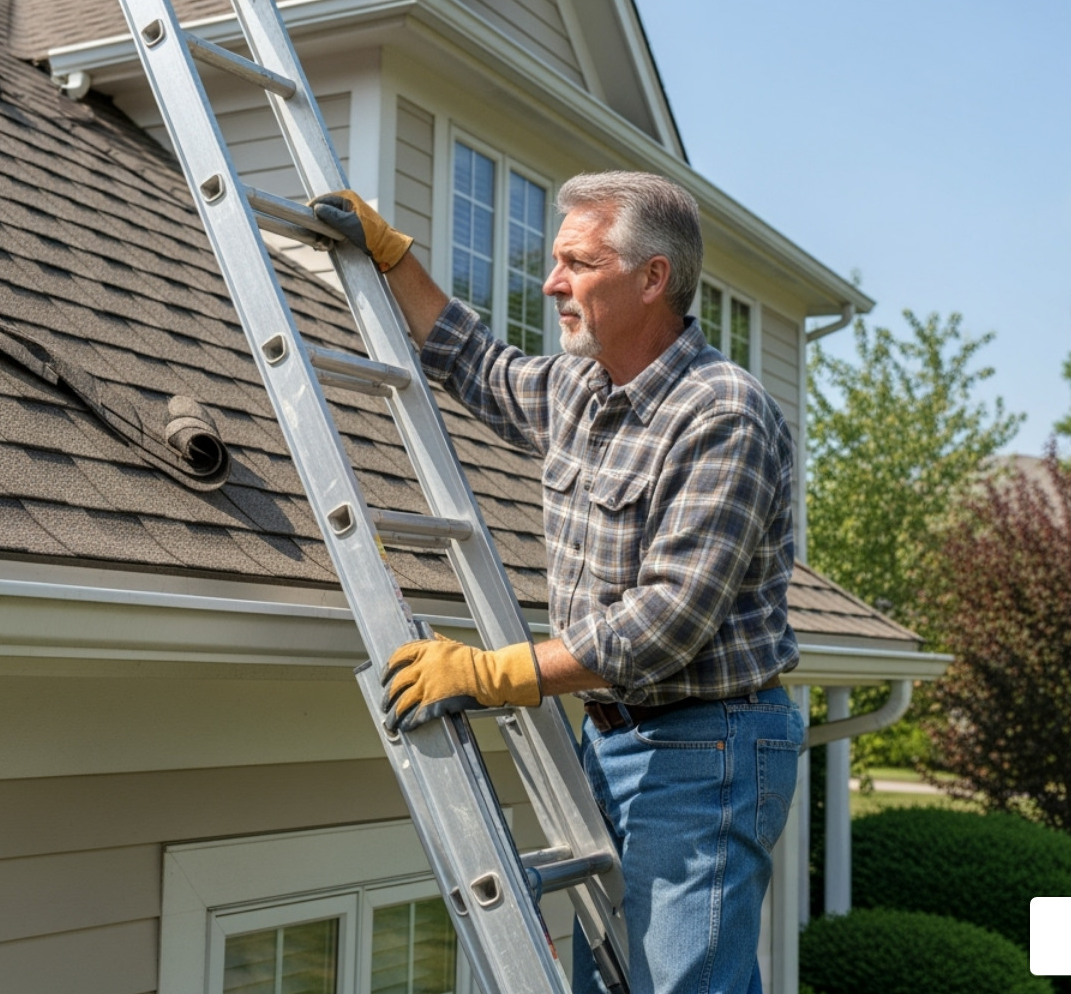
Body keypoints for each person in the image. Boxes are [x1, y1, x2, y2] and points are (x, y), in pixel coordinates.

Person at [310, 172, 805, 994]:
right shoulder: (580, 390)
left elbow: (668, 620)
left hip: (707, 746)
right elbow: (476, 362)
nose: (551, 283)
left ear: (653, 277)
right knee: (612, 981)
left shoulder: (723, 413)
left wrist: (493, 673)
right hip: (610, 740)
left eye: (577, 262)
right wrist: (396, 260)